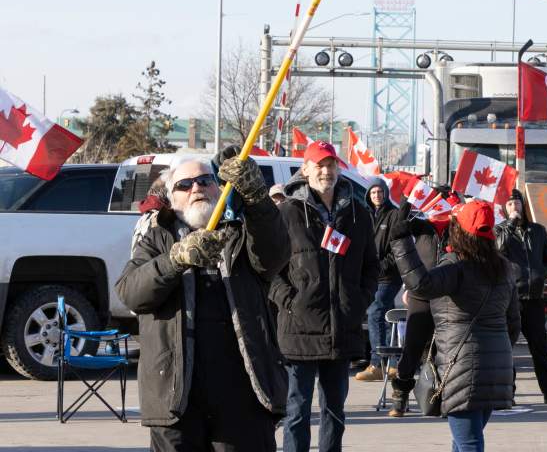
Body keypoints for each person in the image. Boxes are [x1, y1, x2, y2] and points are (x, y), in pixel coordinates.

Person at [116, 155, 290, 451]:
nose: (196, 187)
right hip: (176, 395)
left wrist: (259, 200)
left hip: (244, 392)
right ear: (172, 199)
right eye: (184, 184)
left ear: (219, 189)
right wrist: (175, 260)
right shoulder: (156, 237)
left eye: (205, 180)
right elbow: (132, 293)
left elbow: (275, 256)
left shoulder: (242, 229)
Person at [273, 141, 379, 452]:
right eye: (319, 164)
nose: (326, 171)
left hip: (342, 328)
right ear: (304, 169)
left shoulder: (358, 213)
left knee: (335, 412)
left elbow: (372, 266)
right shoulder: (287, 213)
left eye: (331, 164)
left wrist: (360, 299)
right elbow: (268, 269)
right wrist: (289, 301)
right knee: (297, 411)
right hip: (299, 331)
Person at [392, 198, 521, 452]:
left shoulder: (457, 267)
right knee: (463, 440)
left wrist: (400, 239)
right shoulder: (504, 269)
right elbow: (514, 324)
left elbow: (421, 285)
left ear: (460, 232)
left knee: (469, 443)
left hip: (463, 367)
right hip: (497, 368)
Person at [495, 189, 547, 404]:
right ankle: (506, 393)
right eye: (510, 205)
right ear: (504, 209)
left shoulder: (537, 230)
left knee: (540, 349)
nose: (514, 207)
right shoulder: (500, 230)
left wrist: (541, 273)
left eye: (517, 203)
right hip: (512, 299)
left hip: (535, 298)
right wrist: (510, 225)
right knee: (507, 349)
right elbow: (498, 249)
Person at [388, 194, 448, 417]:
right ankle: (400, 397)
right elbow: (397, 229)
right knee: (412, 347)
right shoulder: (422, 226)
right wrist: (407, 202)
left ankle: (440, 397)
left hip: (447, 297)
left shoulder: (457, 228)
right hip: (420, 294)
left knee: (443, 350)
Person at [356, 178, 404, 382]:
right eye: (373, 192)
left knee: (375, 311)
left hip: (388, 276)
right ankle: (392, 364)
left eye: (380, 192)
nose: (377, 195)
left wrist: (379, 266)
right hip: (370, 275)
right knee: (384, 317)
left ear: (385, 193)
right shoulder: (365, 215)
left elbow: (396, 249)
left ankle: (376, 363)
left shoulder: (393, 215)